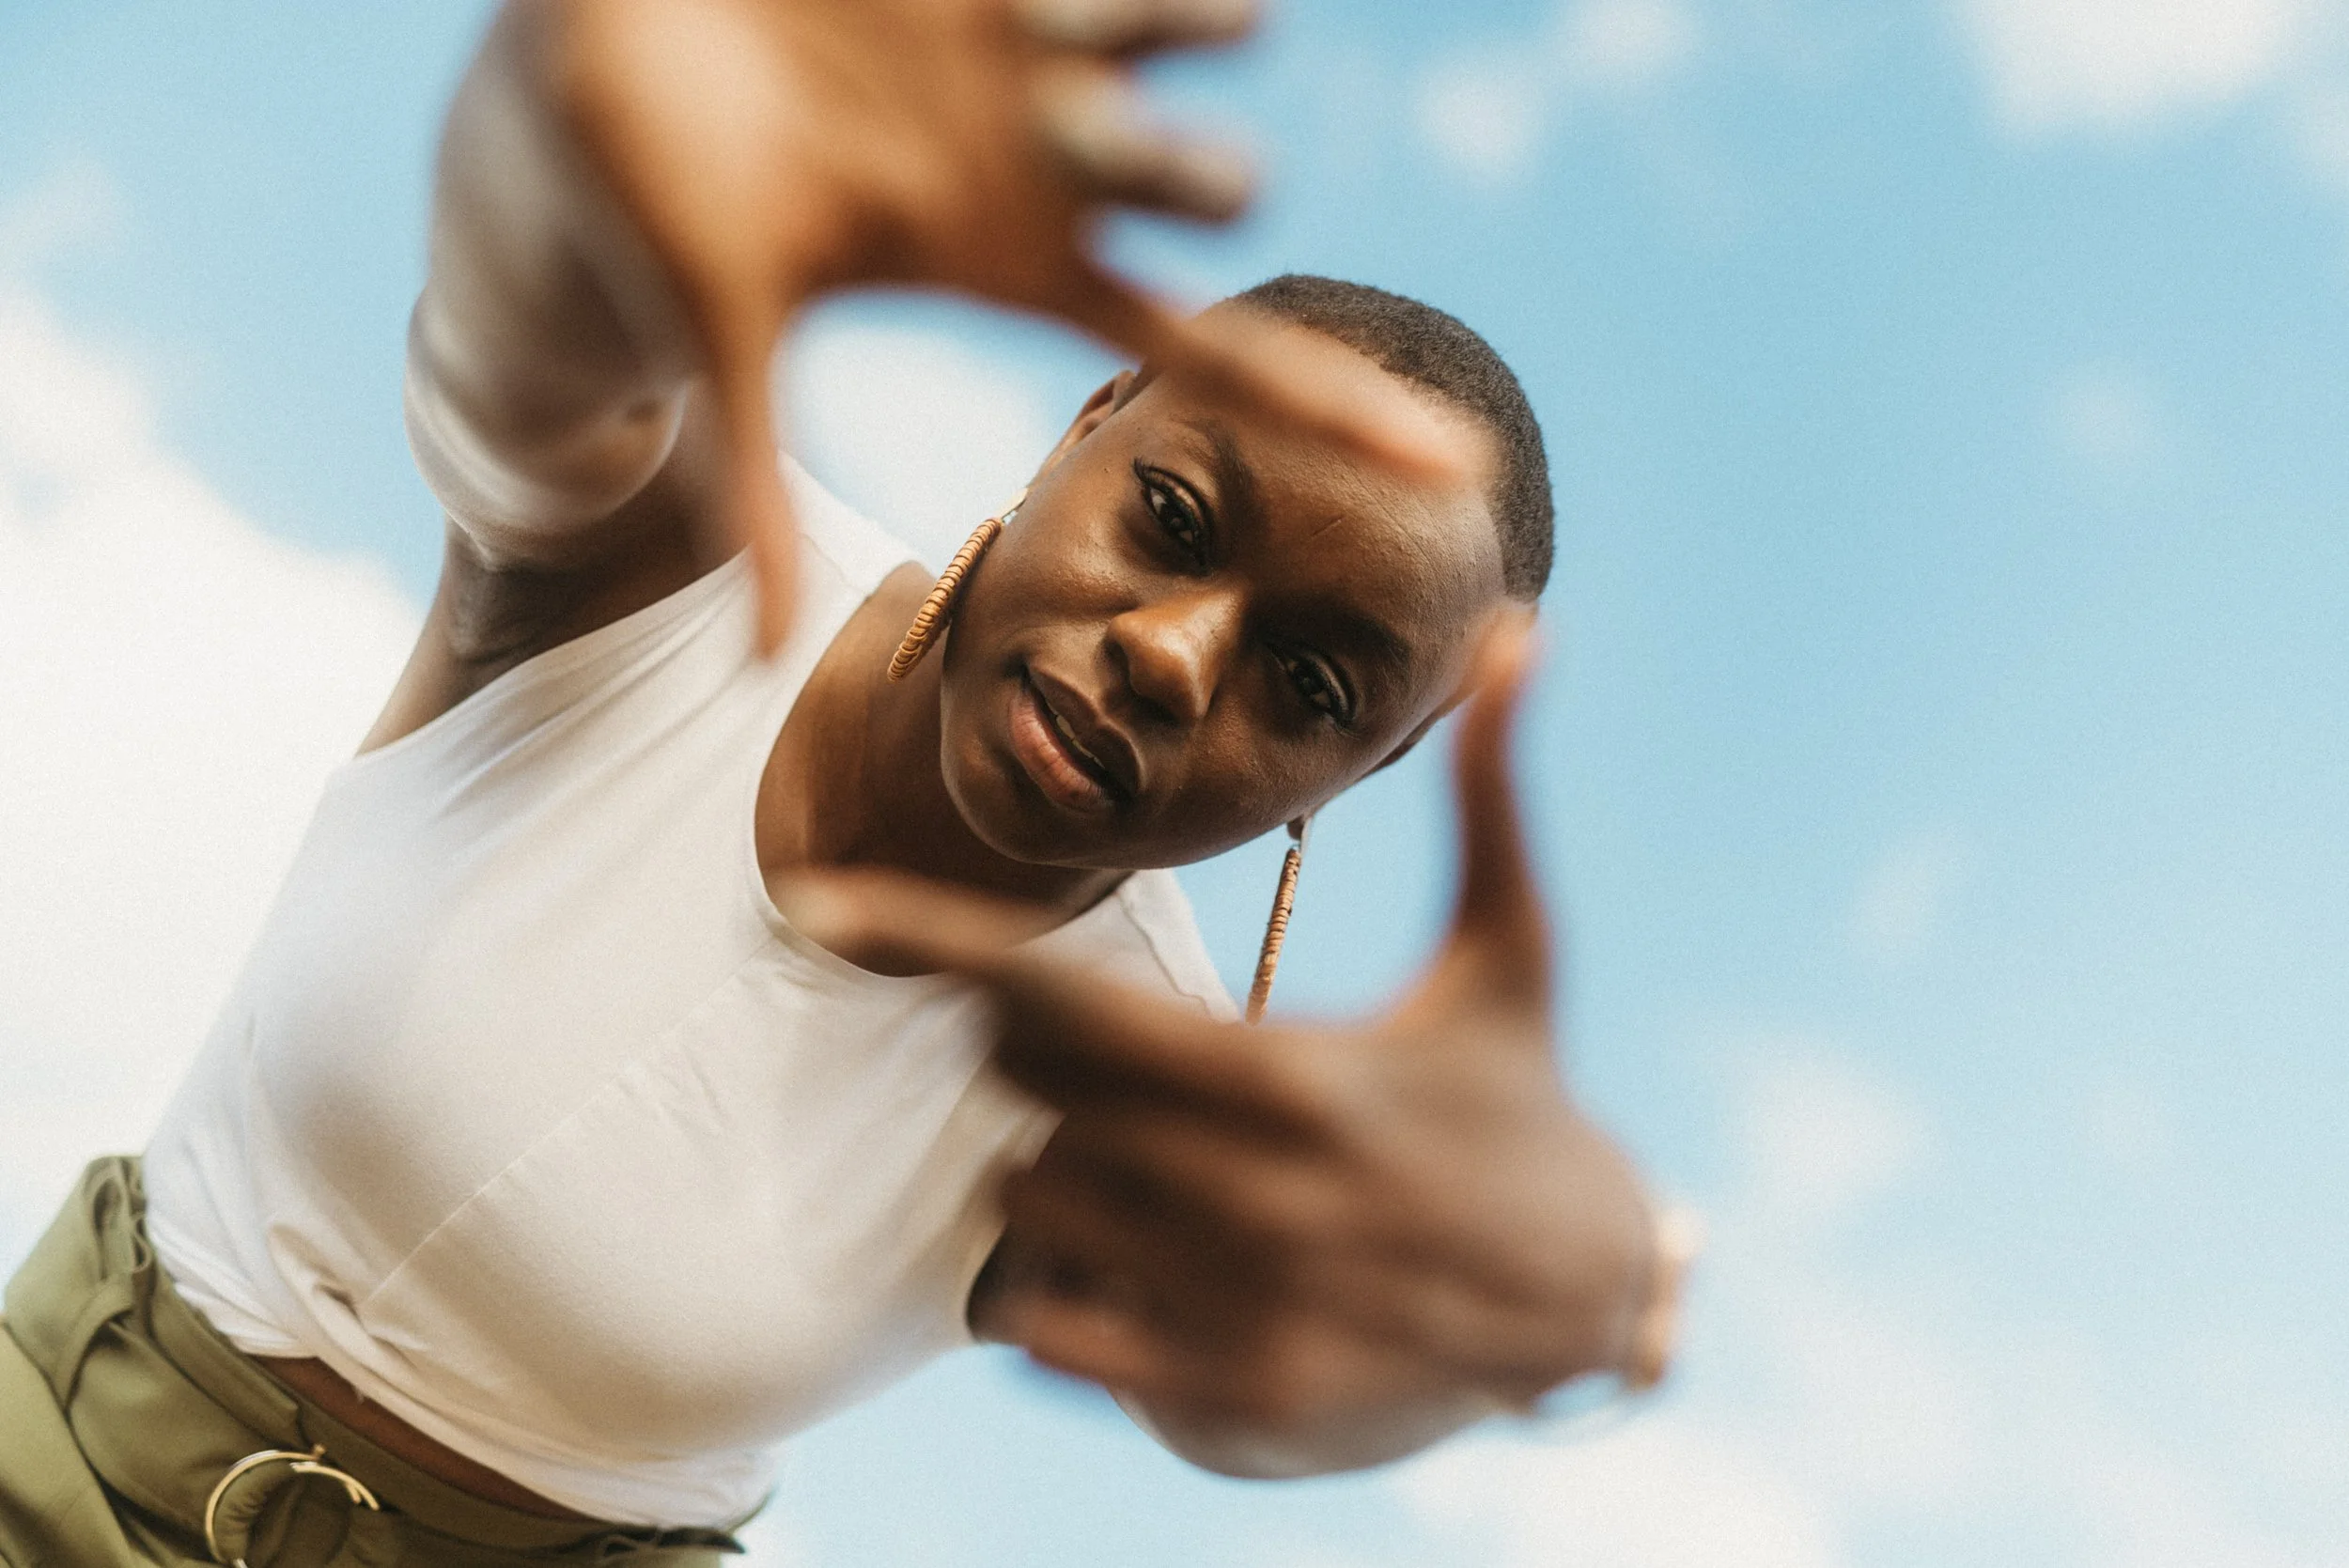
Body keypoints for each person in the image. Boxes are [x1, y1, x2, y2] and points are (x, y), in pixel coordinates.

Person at [0, 2, 1689, 1564]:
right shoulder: (665, 565)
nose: (1176, 658)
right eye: (1172, 521)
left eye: (1311, 684)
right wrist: (580, 110)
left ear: (1373, 765)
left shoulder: (1140, 1084)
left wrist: (1545, 1323)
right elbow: (532, 334)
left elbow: (1258, 1364)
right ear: (1087, 422)